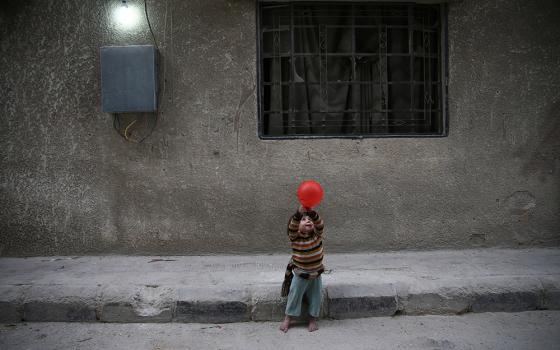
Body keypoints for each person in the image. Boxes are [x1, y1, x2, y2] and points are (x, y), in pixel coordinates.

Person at [279, 204, 325, 333]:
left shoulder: (317, 235)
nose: (308, 221)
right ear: (297, 227)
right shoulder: (295, 238)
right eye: (303, 220)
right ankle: (288, 318)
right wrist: (298, 214)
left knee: (316, 296)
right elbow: (292, 228)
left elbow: (320, 223)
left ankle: (312, 319)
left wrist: (312, 213)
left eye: (309, 219)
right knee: (295, 295)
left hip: (316, 274)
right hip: (301, 274)